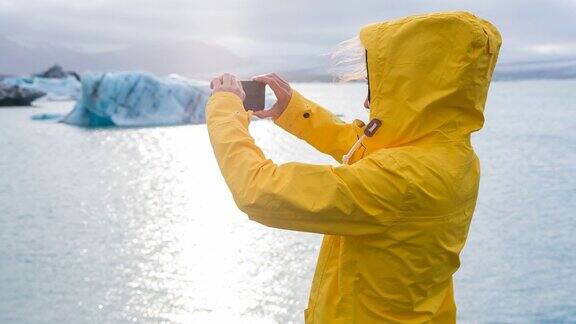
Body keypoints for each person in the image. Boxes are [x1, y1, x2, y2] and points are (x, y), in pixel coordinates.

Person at [205, 11, 501, 324]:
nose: (367, 103)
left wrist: (225, 109)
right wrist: (295, 110)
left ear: (413, 87)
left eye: (378, 87)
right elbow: (369, 148)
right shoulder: (452, 155)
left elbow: (258, 190)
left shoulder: (403, 178)